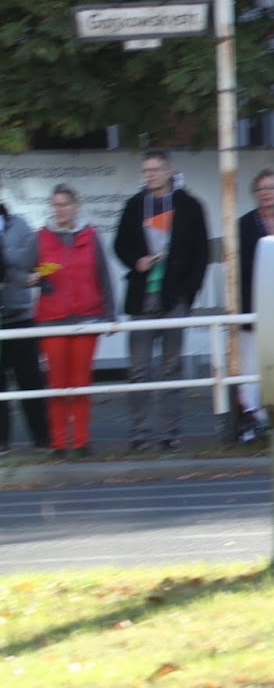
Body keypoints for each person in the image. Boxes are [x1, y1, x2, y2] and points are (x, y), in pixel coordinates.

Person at [113, 149, 209, 452]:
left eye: (155, 169)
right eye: (146, 170)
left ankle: (170, 433)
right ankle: (140, 434)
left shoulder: (190, 206)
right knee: (139, 369)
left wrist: (188, 294)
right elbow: (119, 245)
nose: (150, 175)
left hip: (174, 298)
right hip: (141, 298)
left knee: (171, 368)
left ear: (169, 171)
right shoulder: (134, 205)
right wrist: (136, 261)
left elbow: (201, 253)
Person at [35, 185, 116, 457]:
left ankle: (81, 441)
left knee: (81, 382)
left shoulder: (91, 236)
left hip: (86, 317)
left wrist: (110, 315)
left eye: (64, 204)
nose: (59, 210)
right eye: (55, 205)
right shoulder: (40, 237)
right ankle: (59, 443)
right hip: (52, 319)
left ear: (76, 206)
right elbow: (25, 273)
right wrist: (36, 280)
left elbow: (104, 275)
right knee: (57, 383)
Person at [236, 169, 274, 441]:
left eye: (272, 188)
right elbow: (239, 263)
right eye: (261, 189)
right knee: (251, 366)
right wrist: (268, 264)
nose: (267, 194)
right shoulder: (244, 225)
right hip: (253, 304)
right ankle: (252, 419)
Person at [0, 178, 47, 452]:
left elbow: (39, 262)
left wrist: (30, 276)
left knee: (31, 381)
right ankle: (2, 443)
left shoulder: (20, 225)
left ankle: (42, 440)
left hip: (20, 317)